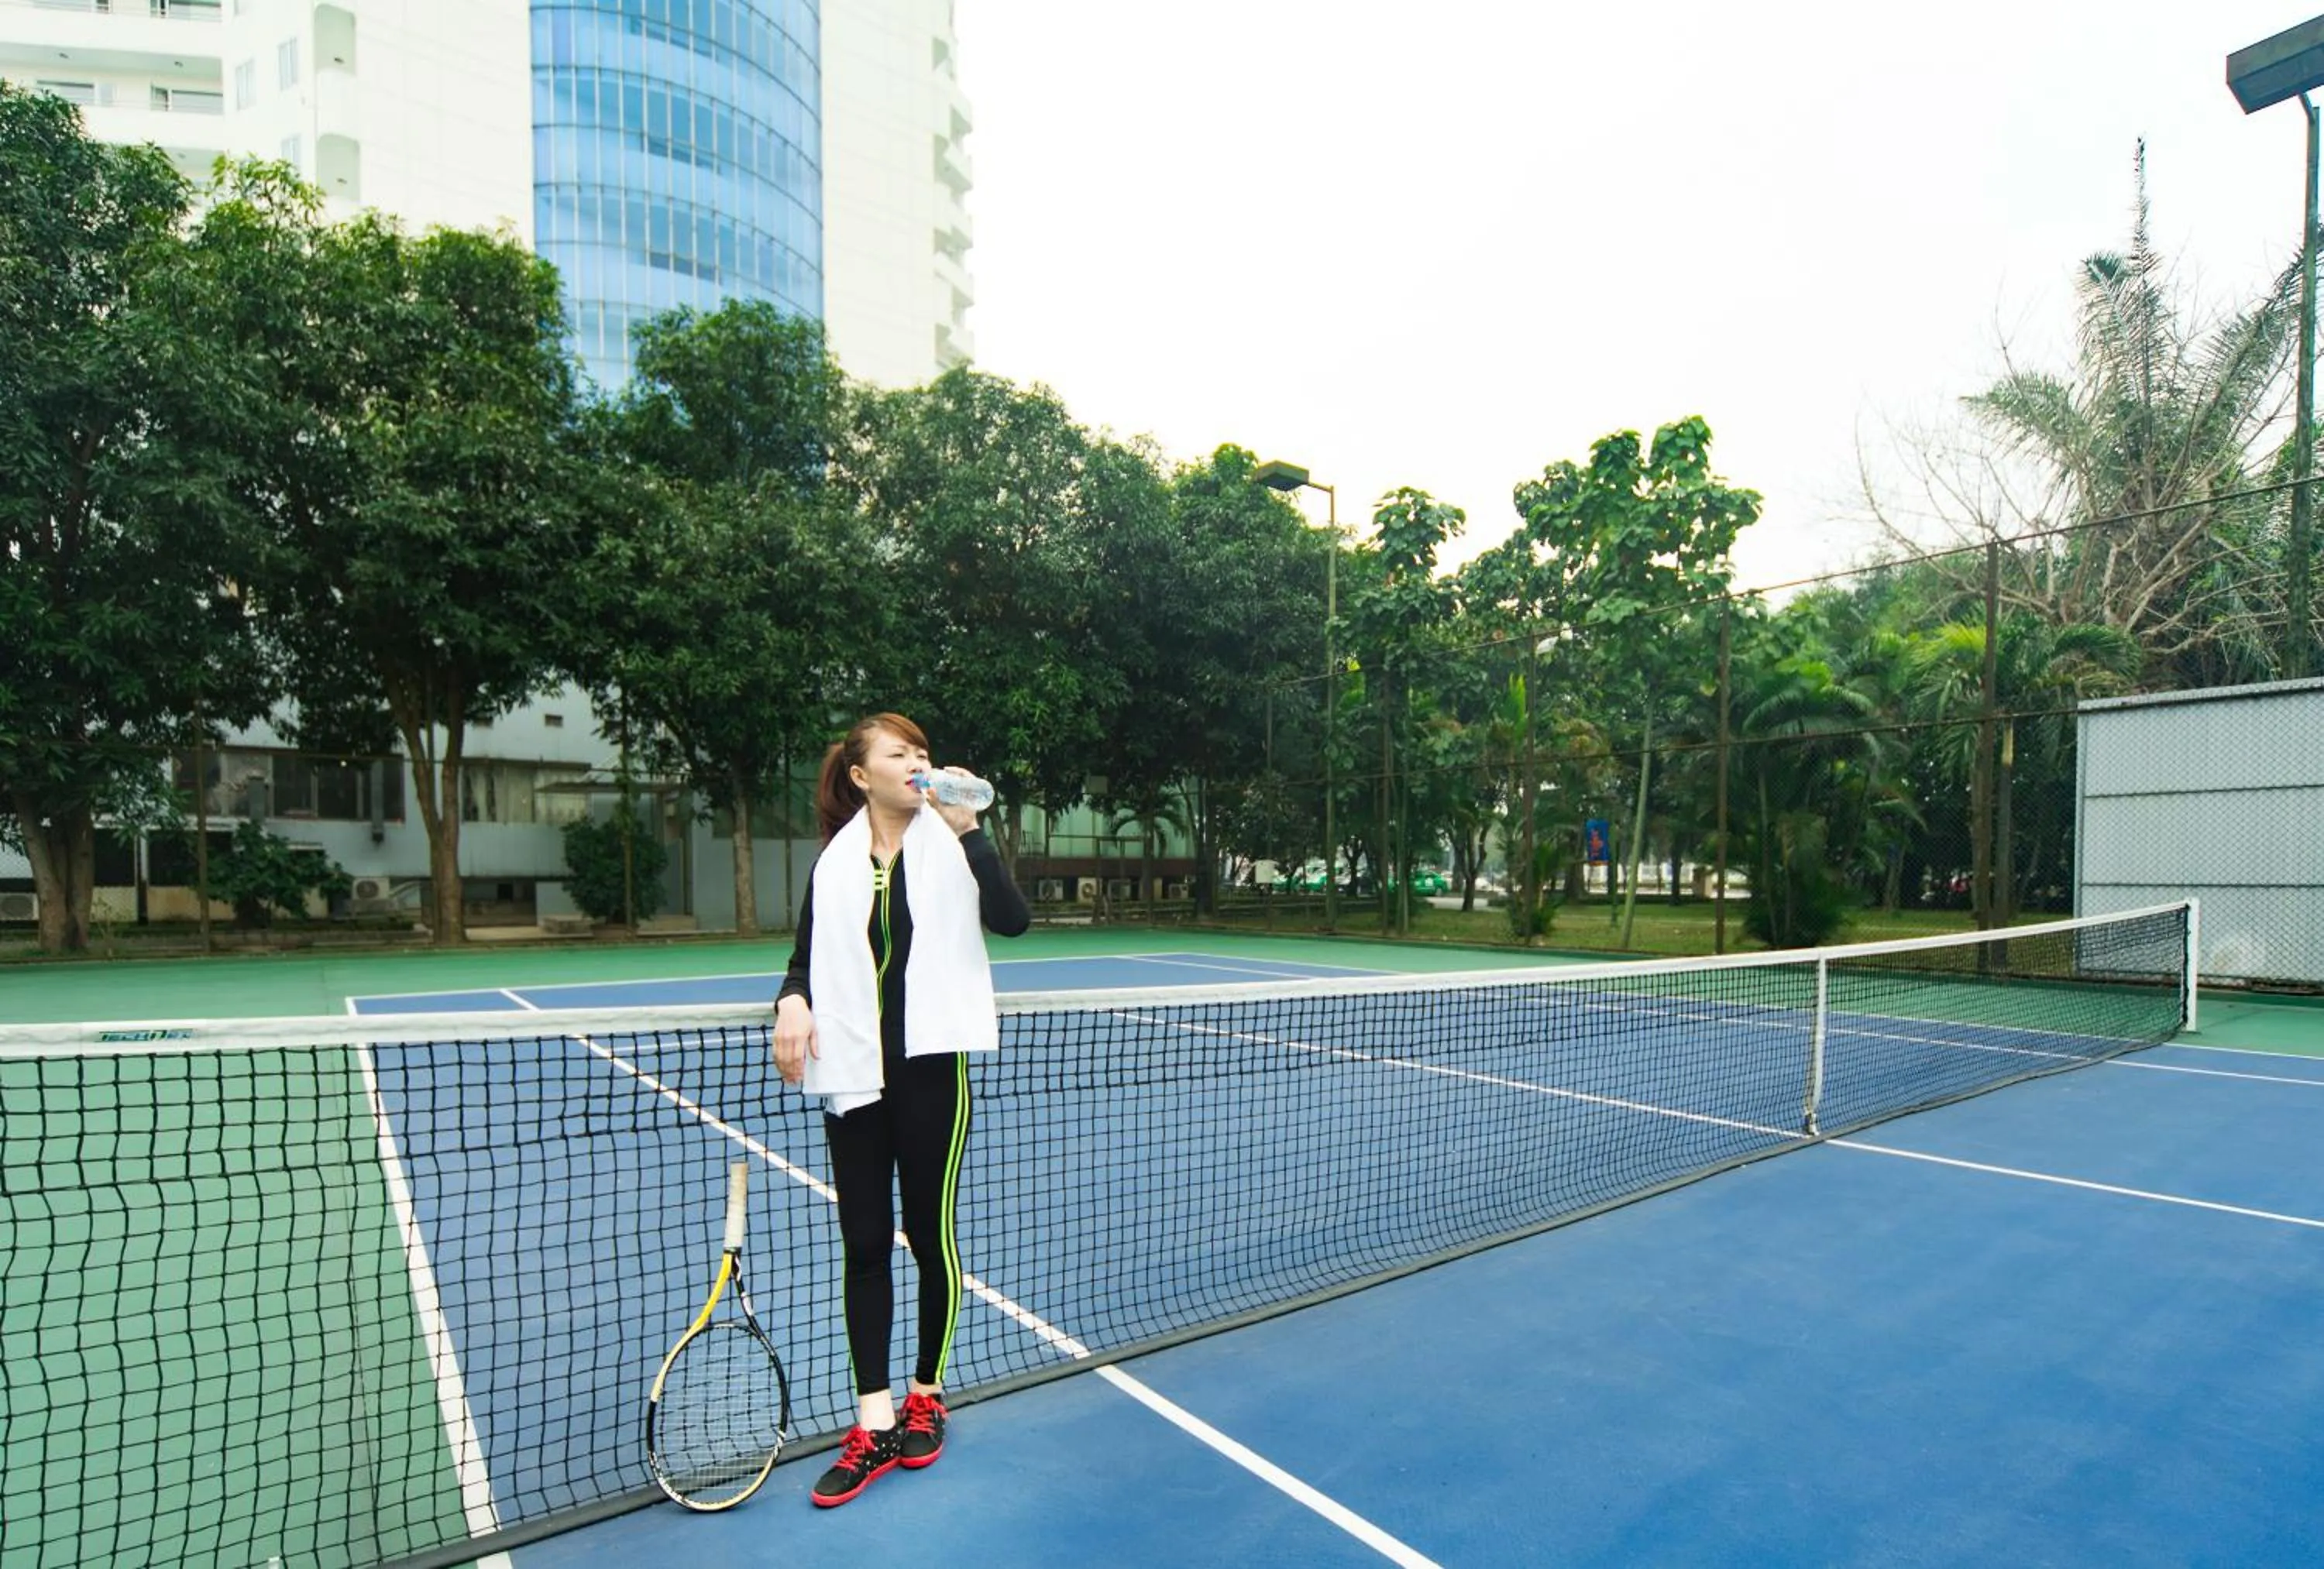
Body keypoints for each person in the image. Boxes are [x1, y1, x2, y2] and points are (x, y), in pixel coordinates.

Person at [772, 712, 1030, 1508]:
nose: (917, 761)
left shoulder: (952, 845)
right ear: (861, 775)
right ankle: (874, 1422)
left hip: (930, 1076)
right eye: (900, 753)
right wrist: (790, 1001)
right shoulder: (836, 863)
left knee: (928, 1234)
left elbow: (1013, 920)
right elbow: (805, 957)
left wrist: (970, 829)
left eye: (922, 751)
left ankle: (927, 1392)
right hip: (852, 1073)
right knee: (863, 1244)